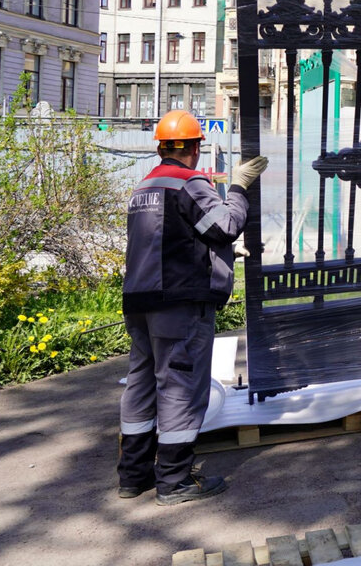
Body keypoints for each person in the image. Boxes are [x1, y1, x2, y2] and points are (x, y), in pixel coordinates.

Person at [117, 110, 268, 504]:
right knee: (180, 386)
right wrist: (238, 187)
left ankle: (133, 476)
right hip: (179, 304)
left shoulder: (143, 187)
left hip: (139, 300)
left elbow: (177, 237)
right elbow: (225, 225)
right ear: (196, 148)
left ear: (162, 148)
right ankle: (174, 481)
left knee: (141, 384)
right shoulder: (189, 182)